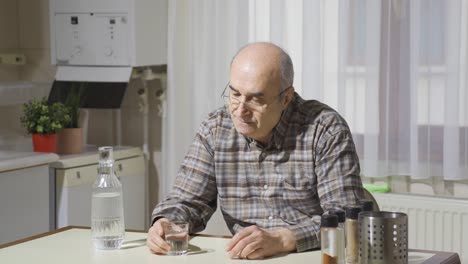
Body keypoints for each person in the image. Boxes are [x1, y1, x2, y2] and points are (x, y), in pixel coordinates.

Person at [147, 42, 364, 259]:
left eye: (255, 99)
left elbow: (347, 219)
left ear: (286, 98)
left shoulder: (325, 130)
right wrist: (165, 222)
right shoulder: (216, 129)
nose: (240, 110)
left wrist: (284, 239)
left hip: (312, 257)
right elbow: (186, 202)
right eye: (235, 94)